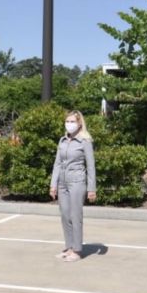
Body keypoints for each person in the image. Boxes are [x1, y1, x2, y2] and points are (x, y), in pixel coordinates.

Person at [50, 111, 97, 262]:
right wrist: (53, 184)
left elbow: (91, 166)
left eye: (72, 121)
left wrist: (91, 188)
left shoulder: (85, 141)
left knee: (75, 216)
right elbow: (57, 163)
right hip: (62, 182)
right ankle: (69, 247)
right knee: (65, 215)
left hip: (77, 181)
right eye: (67, 121)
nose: (69, 124)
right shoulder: (62, 140)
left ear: (79, 124)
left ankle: (77, 250)